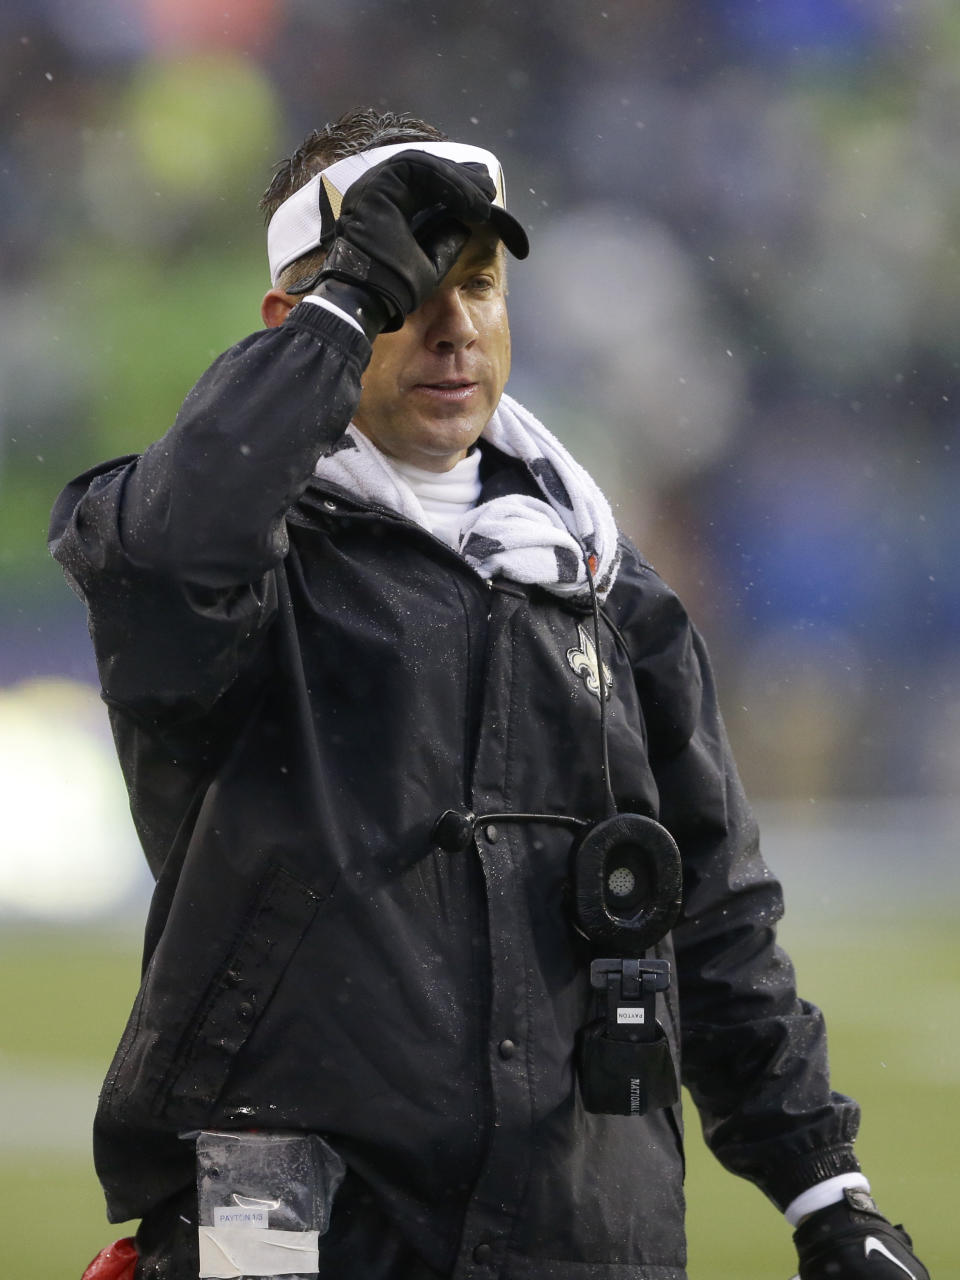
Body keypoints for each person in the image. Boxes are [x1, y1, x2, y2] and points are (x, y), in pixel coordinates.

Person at [51, 107, 929, 1280]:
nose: (452, 327)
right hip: (275, 1213)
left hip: (581, 1217)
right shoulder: (241, 554)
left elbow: (713, 916)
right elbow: (169, 551)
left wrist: (830, 1195)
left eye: (477, 283)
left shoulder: (612, 593)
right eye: (402, 292)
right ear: (299, 319)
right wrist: (342, 304)